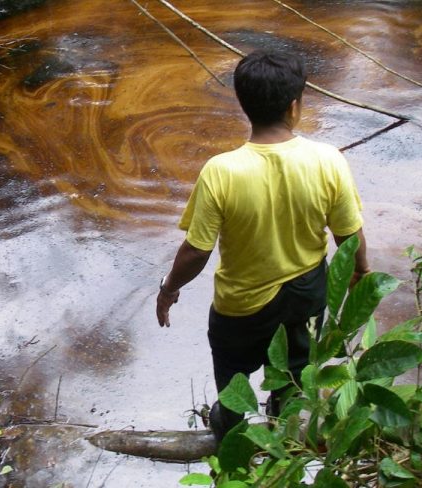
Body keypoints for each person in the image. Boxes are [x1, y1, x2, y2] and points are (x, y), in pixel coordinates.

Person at [155, 49, 370, 441]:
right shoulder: (328, 160)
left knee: (233, 383)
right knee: (293, 373)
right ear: (294, 106)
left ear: (243, 104)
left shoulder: (221, 171)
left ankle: (232, 439)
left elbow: (197, 251)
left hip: (240, 309)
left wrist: (169, 289)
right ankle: (284, 438)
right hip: (306, 296)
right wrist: (360, 273)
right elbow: (349, 237)